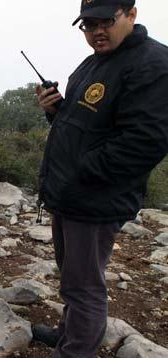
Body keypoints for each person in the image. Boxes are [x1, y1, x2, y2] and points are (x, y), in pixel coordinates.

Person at [33, 1, 168, 357]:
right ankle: (68, 332)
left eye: (105, 21)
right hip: (69, 193)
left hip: (94, 199)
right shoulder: (92, 64)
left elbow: (144, 143)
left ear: (131, 15)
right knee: (73, 278)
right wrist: (55, 110)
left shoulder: (153, 64)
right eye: (88, 25)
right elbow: (83, 127)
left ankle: (74, 351)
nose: (96, 32)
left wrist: (80, 172)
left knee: (84, 287)